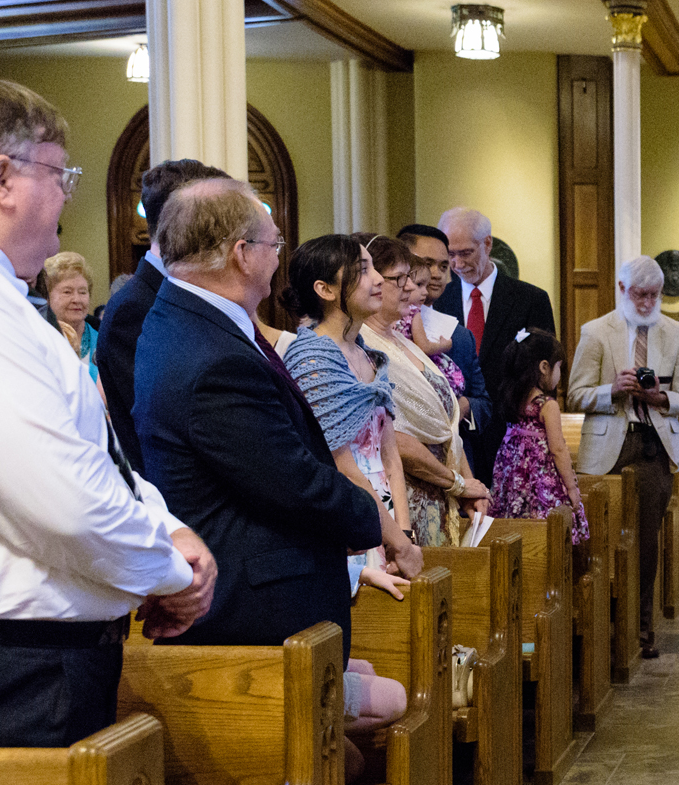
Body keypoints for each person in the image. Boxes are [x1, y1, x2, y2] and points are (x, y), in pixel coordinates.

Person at [0, 68, 214, 746]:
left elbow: (87, 450)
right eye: (60, 175)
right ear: (2, 178)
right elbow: (63, 501)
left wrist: (164, 527)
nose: (65, 195)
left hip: (17, 664)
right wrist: (171, 569)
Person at [132, 178, 383, 652]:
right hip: (255, 610)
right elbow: (290, 480)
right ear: (242, 253)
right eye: (274, 244)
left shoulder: (184, 320)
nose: (278, 257)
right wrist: (369, 517)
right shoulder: (210, 355)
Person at [568, 254, 679, 659]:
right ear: (622, 290)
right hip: (607, 444)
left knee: (644, 542)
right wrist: (613, 389)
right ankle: (596, 626)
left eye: (654, 295)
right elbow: (575, 394)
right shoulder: (596, 332)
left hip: (652, 444)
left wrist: (660, 397)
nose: (646, 302)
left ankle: (641, 630)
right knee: (598, 542)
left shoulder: (675, 334)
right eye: (640, 294)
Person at [281, 235, 423, 585]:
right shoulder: (312, 359)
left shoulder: (368, 354)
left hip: (388, 519)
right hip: (350, 514)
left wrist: (404, 534)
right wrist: (396, 541)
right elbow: (342, 467)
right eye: (362, 271)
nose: (378, 279)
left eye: (375, 268)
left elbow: (391, 457)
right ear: (325, 289)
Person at [97, 158, 227, 474]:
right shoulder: (134, 308)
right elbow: (162, 428)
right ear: (185, 218)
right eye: (217, 215)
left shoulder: (181, 290)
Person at [359, 233, 488, 546]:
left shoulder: (403, 342)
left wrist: (469, 483)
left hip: (440, 495)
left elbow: (447, 429)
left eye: (409, 277)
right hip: (404, 503)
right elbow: (393, 435)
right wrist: (457, 483)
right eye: (399, 278)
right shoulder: (362, 346)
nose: (411, 287)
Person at [432, 207, 556, 481]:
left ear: (487, 243)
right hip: (455, 439)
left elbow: (546, 377)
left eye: (466, 253)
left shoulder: (530, 299)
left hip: (513, 438)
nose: (457, 264)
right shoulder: (437, 301)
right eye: (450, 255)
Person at [492, 327, 588, 544]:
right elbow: (558, 449)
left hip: (512, 479)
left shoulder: (513, 400)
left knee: (517, 531)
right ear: (544, 367)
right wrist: (572, 488)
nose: (560, 375)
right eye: (559, 368)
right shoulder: (547, 405)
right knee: (544, 535)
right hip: (539, 480)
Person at [398, 221, 491, 437]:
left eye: (442, 266)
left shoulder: (458, 334)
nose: (437, 274)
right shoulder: (377, 325)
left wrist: (463, 406)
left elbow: (483, 403)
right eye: (426, 263)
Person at [43, 250, 98, 379]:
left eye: (83, 292)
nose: (77, 299)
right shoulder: (40, 340)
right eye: (67, 292)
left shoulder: (103, 341)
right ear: (47, 297)